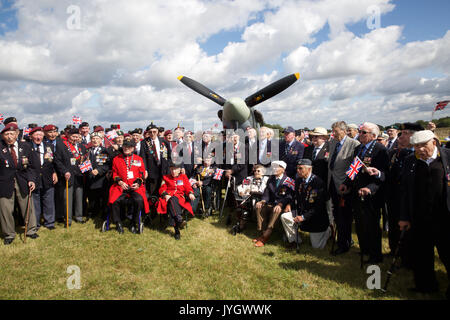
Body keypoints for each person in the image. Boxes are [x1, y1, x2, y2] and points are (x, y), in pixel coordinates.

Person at [399, 130, 450, 298]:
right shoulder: (410, 161)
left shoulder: (447, 157)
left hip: (445, 217)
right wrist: (404, 216)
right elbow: (405, 191)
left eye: (423, 145)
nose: (420, 150)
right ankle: (426, 285)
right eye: (416, 146)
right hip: (420, 217)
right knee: (421, 254)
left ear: (434, 142)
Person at [340, 122, 389, 264]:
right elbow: (353, 170)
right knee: (361, 224)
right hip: (357, 192)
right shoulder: (359, 148)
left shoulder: (380, 150)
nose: (360, 134)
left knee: (372, 225)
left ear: (373, 136)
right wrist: (346, 183)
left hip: (371, 195)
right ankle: (365, 249)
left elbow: (384, 174)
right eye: (360, 132)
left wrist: (370, 188)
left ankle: (375, 255)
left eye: (363, 132)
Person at [0, 123, 39, 245]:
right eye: (6, 134)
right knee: (5, 209)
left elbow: (33, 166)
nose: (9, 136)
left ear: (17, 134)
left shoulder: (26, 146)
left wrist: (32, 179)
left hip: (23, 181)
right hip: (4, 183)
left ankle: (31, 230)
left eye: (12, 133)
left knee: (27, 206)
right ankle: (9, 234)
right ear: (2, 136)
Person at [281, 159, 330, 249]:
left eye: (300, 168)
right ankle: (295, 241)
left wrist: (303, 217)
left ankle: (328, 231)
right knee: (285, 216)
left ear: (309, 169)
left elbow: (318, 207)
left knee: (317, 247)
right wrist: (290, 206)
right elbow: (296, 197)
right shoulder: (299, 180)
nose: (298, 171)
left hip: (315, 218)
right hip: (302, 213)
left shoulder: (318, 183)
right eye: (297, 168)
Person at [328, 121, 360, 255]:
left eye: (335, 131)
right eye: (332, 131)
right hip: (332, 184)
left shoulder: (354, 145)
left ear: (344, 131)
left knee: (344, 217)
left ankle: (344, 244)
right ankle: (342, 238)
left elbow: (356, 167)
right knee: (336, 215)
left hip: (344, 187)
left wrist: (347, 183)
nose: (333, 134)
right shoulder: (333, 143)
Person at [108, 140, 149, 234]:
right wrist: (120, 182)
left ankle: (133, 223)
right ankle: (118, 223)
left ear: (133, 148)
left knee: (139, 200)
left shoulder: (138, 159)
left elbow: (142, 173)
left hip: (135, 187)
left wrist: (138, 183)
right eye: (125, 146)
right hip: (121, 187)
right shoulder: (116, 159)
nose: (127, 148)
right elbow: (114, 173)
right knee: (115, 200)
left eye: (129, 147)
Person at [254, 161, 294, 247]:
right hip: (270, 203)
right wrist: (263, 201)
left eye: (277, 167)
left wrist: (280, 204)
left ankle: (266, 234)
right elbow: (266, 193)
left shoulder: (289, 181)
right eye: (273, 167)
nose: (274, 169)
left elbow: (289, 197)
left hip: (282, 205)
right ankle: (263, 232)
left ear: (283, 169)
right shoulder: (271, 179)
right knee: (259, 206)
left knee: (277, 210)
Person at [53, 128, 87, 225]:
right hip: (67, 176)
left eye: (77, 136)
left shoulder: (81, 146)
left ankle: (79, 217)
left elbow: (84, 160)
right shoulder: (62, 145)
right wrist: (64, 171)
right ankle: (68, 219)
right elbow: (57, 161)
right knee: (67, 198)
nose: (75, 138)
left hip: (79, 176)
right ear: (68, 136)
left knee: (79, 197)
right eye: (73, 136)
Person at [157, 162, 195, 240]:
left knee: (173, 200)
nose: (173, 171)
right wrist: (165, 194)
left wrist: (190, 193)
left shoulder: (184, 177)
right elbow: (162, 189)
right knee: (172, 200)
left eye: (175, 169)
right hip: (167, 198)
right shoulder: (165, 177)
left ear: (179, 170)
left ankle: (177, 223)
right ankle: (178, 222)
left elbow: (188, 187)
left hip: (180, 199)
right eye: (172, 169)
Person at [29, 127, 58, 230]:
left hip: (47, 177)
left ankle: (49, 222)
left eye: (40, 135)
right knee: (35, 202)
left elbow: (52, 161)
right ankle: (35, 223)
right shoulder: (27, 146)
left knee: (49, 201)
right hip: (34, 178)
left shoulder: (48, 146)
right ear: (31, 136)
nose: (38, 137)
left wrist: (54, 172)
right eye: (36, 135)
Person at [231, 164, 268, 235]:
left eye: (258, 171)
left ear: (263, 173)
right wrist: (241, 191)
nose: (256, 172)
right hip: (249, 197)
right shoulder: (249, 179)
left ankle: (261, 228)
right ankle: (241, 226)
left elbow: (267, 191)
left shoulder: (266, 180)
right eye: (255, 171)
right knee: (242, 207)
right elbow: (242, 186)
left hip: (261, 198)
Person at [141, 123, 171, 210]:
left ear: (157, 132)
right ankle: (152, 212)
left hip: (163, 171)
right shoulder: (144, 142)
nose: (152, 133)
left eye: (154, 131)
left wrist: (168, 167)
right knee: (152, 193)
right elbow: (143, 158)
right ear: (148, 133)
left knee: (163, 191)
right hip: (151, 172)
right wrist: (145, 170)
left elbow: (169, 156)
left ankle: (163, 210)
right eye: (150, 132)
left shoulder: (164, 141)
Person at [86, 132, 111, 220]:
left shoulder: (104, 150)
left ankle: (104, 214)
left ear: (101, 140)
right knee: (92, 198)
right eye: (93, 138)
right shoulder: (88, 150)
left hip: (101, 179)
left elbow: (106, 165)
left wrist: (99, 170)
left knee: (103, 198)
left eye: (97, 139)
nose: (95, 140)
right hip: (90, 178)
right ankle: (93, 212)